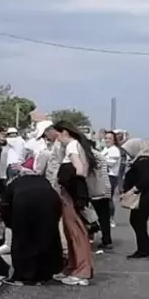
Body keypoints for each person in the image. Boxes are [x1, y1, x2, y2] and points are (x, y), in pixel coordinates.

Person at [0, 167, 63, 287]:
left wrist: (10, 223)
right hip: (49, 202)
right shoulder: (43, 180)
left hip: (23, 204)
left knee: (23, 241)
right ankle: (46, 274)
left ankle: (25, 276)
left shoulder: (14, 183)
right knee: (46, 238)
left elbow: (4, 205)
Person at [51, 121, 96, 285]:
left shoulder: (71, 146)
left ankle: (82, 270)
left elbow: (79, 170)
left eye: (57, 135)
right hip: (71, 194)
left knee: (76, 232)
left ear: (63, 132)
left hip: (70, 195)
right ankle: (73, 266)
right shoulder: (76, 146)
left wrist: (71, 185)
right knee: (71, 232)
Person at [121, 142, 149, 258]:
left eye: (127, 151)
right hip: (146, 197)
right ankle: (145, 247)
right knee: (138, 221)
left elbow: (145, 179)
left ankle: (144, 249)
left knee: (138, 221)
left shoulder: (144, 161)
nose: (126, 154)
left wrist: (133, 190)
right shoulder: (142, 161)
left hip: (145, 197)